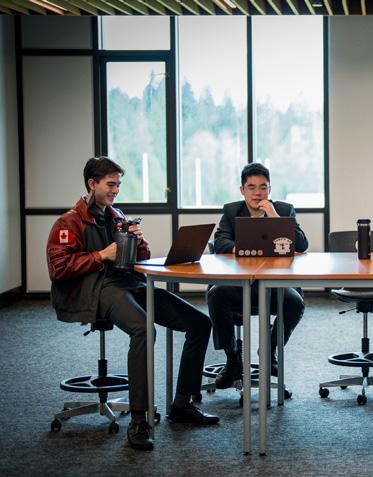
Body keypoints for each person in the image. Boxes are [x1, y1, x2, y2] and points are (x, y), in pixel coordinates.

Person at [47, 157, 219, 452]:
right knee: (143, 329)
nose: (115, 190)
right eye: (110, 184)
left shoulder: (116, 215)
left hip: (130, 283)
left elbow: (139, 258)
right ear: (92, 184)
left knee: (200, 324)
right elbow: (58, 268)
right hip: (96, 288)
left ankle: (182, 404)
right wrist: (101, 255)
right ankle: (139, 421)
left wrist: (139, 243)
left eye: (118, 185)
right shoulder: (69, 222)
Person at [207, 163, 308, 390]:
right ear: (242, 190)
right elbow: (220, 242)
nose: (257, 193)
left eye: (263, 187)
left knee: (295, 302)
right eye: (251, 187)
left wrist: (274, 217)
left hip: (275, 286)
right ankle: (232, 358)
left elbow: (302, 244)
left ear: (270, 190)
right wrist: (244, 247)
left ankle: (270, 350)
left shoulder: (284, 210)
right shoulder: (232, 211)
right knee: (215, 295)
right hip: (239, 285)